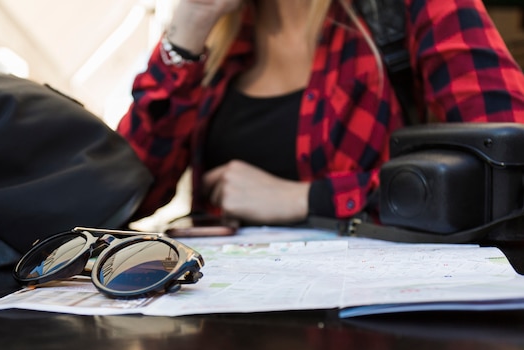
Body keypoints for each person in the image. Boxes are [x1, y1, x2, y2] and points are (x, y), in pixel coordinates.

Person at [117, 0, 524, 226]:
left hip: (381, 340)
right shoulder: (212, 43)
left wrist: (309, 198)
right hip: (224, 340)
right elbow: (122, 198)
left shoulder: (405, 10)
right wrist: (188, 29)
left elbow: (509, 175)